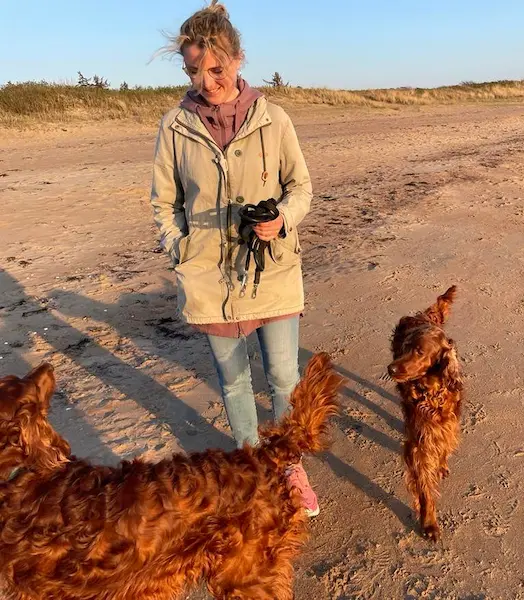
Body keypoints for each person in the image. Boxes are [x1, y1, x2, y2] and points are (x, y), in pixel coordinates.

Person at [149, 0, 320, 515]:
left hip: (273, 271)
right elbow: (163, 203)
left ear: (238, 59)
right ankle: (251, 463)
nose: (206, 81)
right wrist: (180, 249)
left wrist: (282, 218)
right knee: (234, 380)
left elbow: (302, 187)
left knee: (285, 377)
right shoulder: (175, 127)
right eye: (194, 71)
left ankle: (289, 466)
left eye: (216, 69)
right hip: (209, 276)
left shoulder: (275, 119)